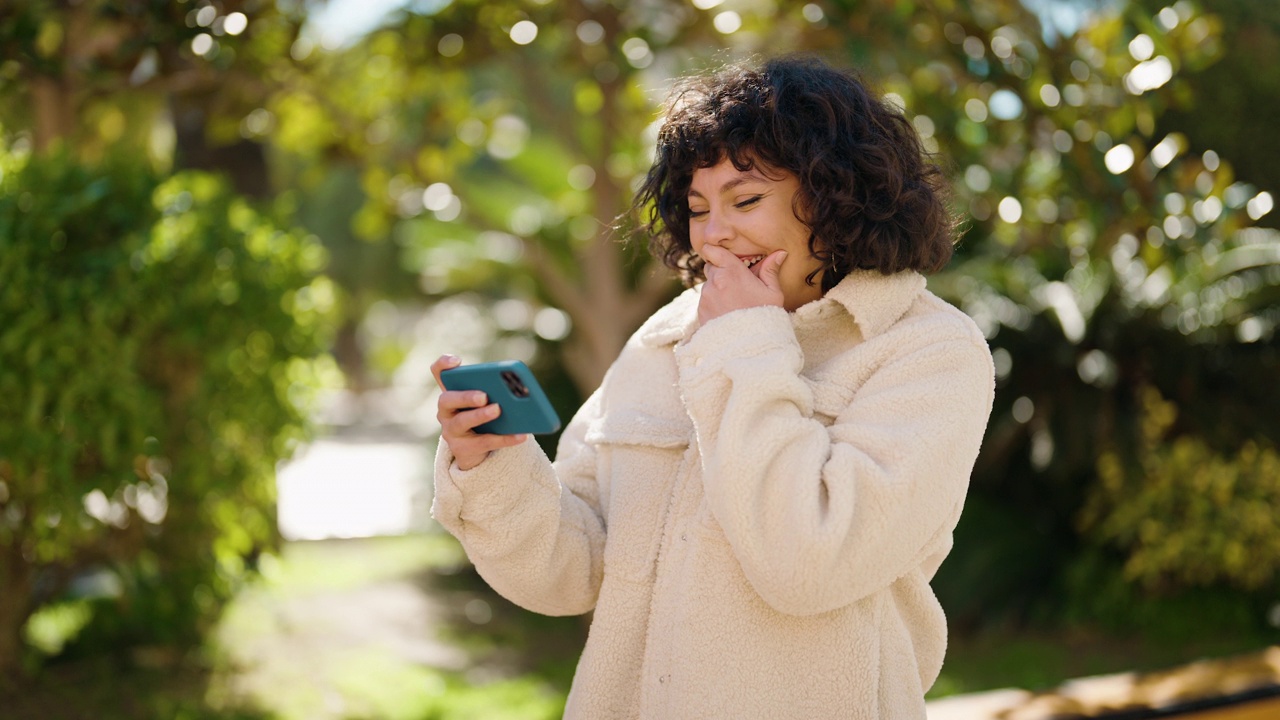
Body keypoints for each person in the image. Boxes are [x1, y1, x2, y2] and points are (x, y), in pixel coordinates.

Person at [431, 54, 995, 719]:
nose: (715, 234)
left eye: (746, 200)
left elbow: (808, 563)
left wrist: (746, 344)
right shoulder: (668, 335)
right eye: (698, 209)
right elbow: (570, 572)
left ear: (838, 195)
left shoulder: (928, 349)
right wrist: (490, 460)